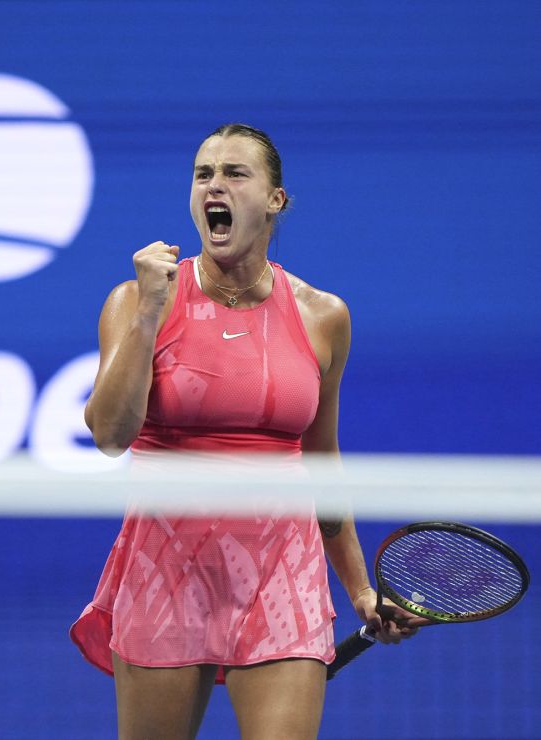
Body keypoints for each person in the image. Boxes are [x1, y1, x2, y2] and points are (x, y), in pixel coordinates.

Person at [69, 123, 420, 740]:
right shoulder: (136, 300)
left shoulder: (322, 316)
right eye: (203, 174)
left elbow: (321, 461)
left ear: (275, 200)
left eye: (235, 173)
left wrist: (361, 590)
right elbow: (109, 434)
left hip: (281, 572)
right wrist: (150, 315)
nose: (215, 185)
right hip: (165, 566)